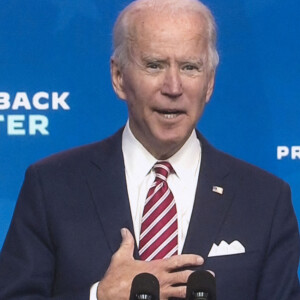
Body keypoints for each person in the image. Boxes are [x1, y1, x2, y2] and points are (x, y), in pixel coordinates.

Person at [0, 0, 299, 299]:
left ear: (209, 83)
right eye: (154, 65)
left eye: (190, 67)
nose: (173, 87)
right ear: (119, 77)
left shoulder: (266, 200)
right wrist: (99, 296)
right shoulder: (51, 186)